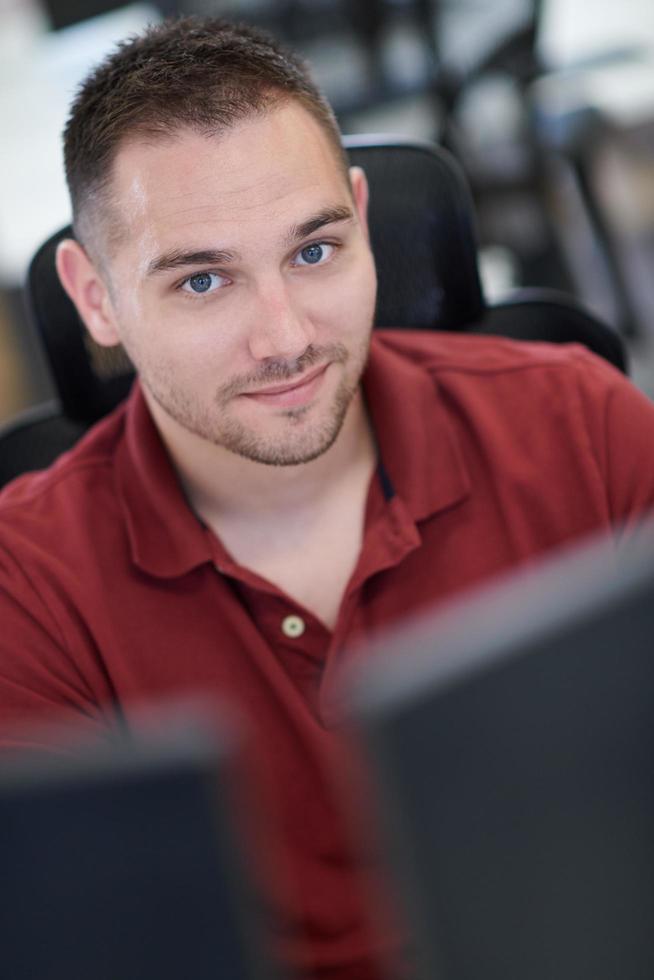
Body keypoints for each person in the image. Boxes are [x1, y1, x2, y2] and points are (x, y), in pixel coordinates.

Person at [2, 15, 654, 980]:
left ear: (359, 214)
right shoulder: (28, 592)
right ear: (95, 296)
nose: (285, 339)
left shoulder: (580, 424)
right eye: (203, 280)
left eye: (313, 252)